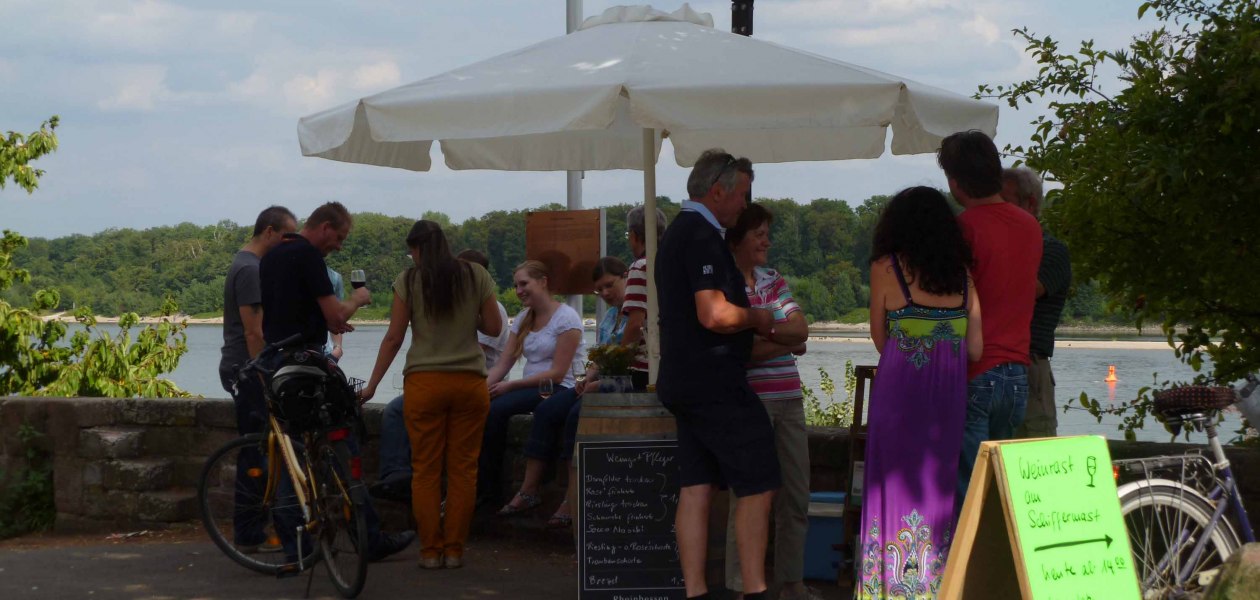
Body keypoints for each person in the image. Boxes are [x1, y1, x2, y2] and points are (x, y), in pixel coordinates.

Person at [259, 201, 415, 564]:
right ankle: (368, 537)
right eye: (340, 237)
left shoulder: (271, 256)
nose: (340, 246)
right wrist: (358, 300)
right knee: (345, 442)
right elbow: (335, 315)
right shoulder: (308, 256)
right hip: (308, 366)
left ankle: (297, 547)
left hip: (277, 362)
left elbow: (291, 308)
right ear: (325, 226)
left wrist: (325, 319)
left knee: (290, 452)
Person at [656, 149, 778, 600]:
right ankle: (755, 589)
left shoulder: (674, 234)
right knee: (759, 481)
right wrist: (756, 317)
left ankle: (695, 591)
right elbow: (713, 314)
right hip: (714, 381)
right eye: (743, 195)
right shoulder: (704, 236)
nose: (746, 205)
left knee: (696, 485)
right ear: (718, 191)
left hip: (681, 380)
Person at [857, 186, 982, 598]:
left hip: (900, 393)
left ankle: (886, 589)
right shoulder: (963, 277)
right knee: (936, 487)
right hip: (946, 399)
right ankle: (929, 588)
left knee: (890, 485)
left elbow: (880, 339)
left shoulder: (885, 267)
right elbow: (976, 348)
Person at [359, 220, 503, 570]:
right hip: (469, 383)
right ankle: (454, 551)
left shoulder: (408, 280)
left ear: (417, 248)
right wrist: (468, 319)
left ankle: (430, 552)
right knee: (463, 471)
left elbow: (393, 337)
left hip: (424, 382)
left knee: (425, 471)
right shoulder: (475, 275)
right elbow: (495, 327)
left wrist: (373, 384)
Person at [938, 130, 1042, 508]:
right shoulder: (1030, 227)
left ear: (953, 181)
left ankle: (963, 568)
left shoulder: (962, 229)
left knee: (967, 495)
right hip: (1017, 373)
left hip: (974, 371)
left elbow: (949, 302)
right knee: (1000, 494)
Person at [722, 203, 815, 600]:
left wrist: (763, 334)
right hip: (750, 402)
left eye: (766, 233)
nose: (766, 241)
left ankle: (790, 583)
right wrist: (782, 341)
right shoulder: (724, 286)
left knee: (796, 495)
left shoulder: (771, 279)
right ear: (738, 237)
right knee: (748, 498)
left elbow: (803, 331)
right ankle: (743, 586)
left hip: (790, 399)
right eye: (759, 233)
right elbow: (737, 352)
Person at [370, 249, 511, 504]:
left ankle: (424, 489)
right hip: (450, 383)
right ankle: (396, 475)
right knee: (395, 411)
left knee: (406, 413)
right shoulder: (462, 303)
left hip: (471, 385)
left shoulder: (493, 309)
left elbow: (470, 352)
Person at [217, 205, 296, 554]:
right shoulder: (249, 270)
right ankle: (249, 533)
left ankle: (256, 530)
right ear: (269, 232)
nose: (288, 243)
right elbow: (253, 331)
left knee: (261, 449)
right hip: (246, 370)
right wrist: (265, 374)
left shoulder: (249, 265)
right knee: (256, 453)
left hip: (244, 367)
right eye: (286, 236)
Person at [479, 260, 584, 515]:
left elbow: (558, 373)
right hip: (529, 387)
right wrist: (479, 390)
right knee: (485, 408)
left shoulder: (566, 318)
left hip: (559, 388)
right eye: (516, 285)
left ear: (543, 282)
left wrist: (511, 385)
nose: (518, 290)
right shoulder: (525, 318)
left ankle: (495, 491)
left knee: (497, 410)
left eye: (524, 284)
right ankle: (483, 489)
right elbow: (503, 364)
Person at [543, 256, 630, 530]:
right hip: (602, 379)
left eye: (609, 285)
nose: (604, 293)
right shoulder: (610, 318)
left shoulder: (639, 313)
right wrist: (589, 375)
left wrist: (598, 383)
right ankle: (531, 487)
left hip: (625, 382)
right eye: (599, 290)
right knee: (548, 409)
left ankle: (572, 496)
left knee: (575, 417)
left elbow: (632, 361)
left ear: (626, 278)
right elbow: (600, 354)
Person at [1002, 167, 1072, 438]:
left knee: (1031, 449)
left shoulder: (1052, 250)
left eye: (1004, 203)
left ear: (1029, 203)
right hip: (990, 364)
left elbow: (1023, 291)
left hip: (1029, 364)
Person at [621, 205, 667, 391]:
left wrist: (618, 360)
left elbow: (635, 324)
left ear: (634, 235)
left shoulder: (640, 268)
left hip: (643, 366)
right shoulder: (670, 263)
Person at [324, 267, 345, 362]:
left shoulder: (335, 277)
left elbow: (336, 318)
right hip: (289, 353)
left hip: (327, 353)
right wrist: (356, 301)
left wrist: (338, 348)